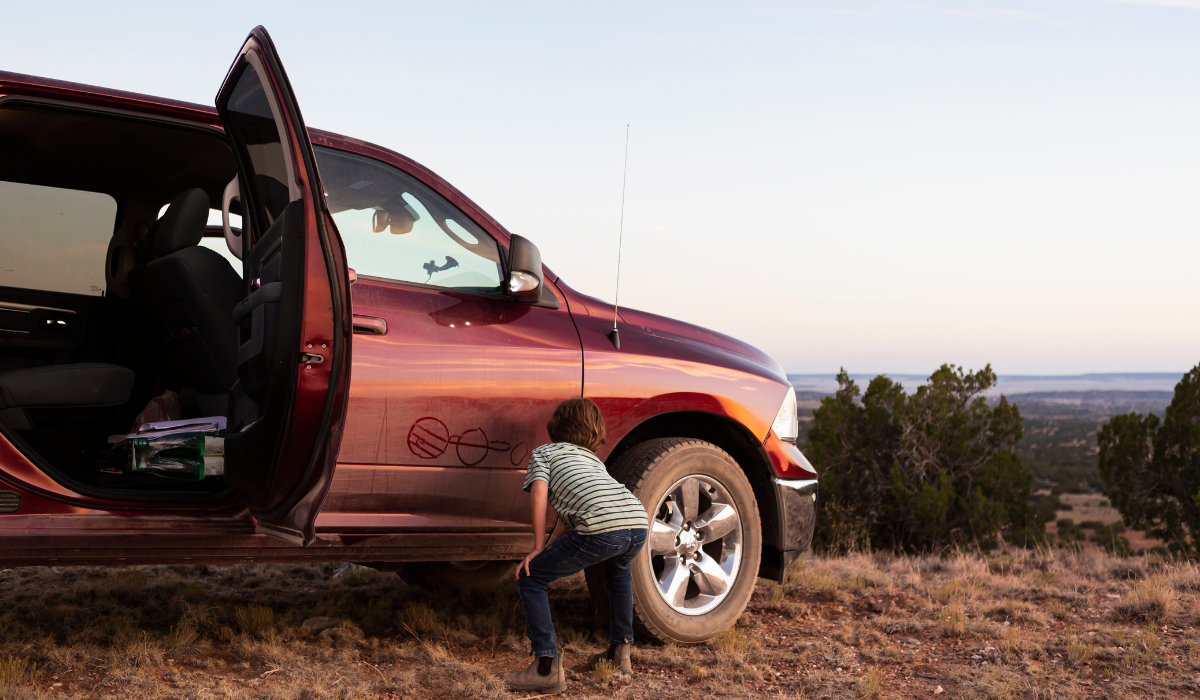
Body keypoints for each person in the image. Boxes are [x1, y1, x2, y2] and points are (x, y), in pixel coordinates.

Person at [502, 398, 649, 694]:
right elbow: (582, 512)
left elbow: (540, 492)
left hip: (604, 528)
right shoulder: (592, 459)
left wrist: (537, 546)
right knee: (618, 576)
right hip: (637, 520)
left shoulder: (545, 452)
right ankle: (620, 654)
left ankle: (546, 668)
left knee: (531, 577)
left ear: (556, 425)